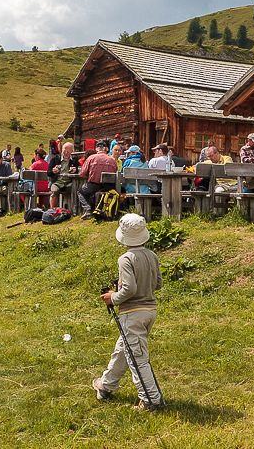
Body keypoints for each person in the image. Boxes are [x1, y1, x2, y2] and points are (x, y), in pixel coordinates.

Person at [92, 214, 164, 409]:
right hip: (150, 310)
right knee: (124, 350)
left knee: (137, 358)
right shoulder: (152, 255)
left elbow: (129, 289)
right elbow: (158, 283)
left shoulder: (125, 259)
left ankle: (151, 399)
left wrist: (112, 297)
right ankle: (106, 385)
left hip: (133, 313)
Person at [79, 140, 119, 219]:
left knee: (81, 191)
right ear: (106, 149)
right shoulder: (112, 160)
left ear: (97, 149)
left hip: (94, 185)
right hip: (109, 187)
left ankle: (88, 210)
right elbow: (116, 172)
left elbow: (82, 174)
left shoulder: (91, 158)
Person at [49, 141, 78, 208]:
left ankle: (72, 210)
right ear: (62, 150)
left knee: (75, 189)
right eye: (65, 150)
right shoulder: (55, 159)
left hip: (69, 182)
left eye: (69, 151)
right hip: (57, 182)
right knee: (54, 192)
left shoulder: (74, 160)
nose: (66, 152)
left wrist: (75, 170)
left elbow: (78, 170)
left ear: (72, 152)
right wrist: (53, 171)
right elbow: (48, 172)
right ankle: (52, 210)